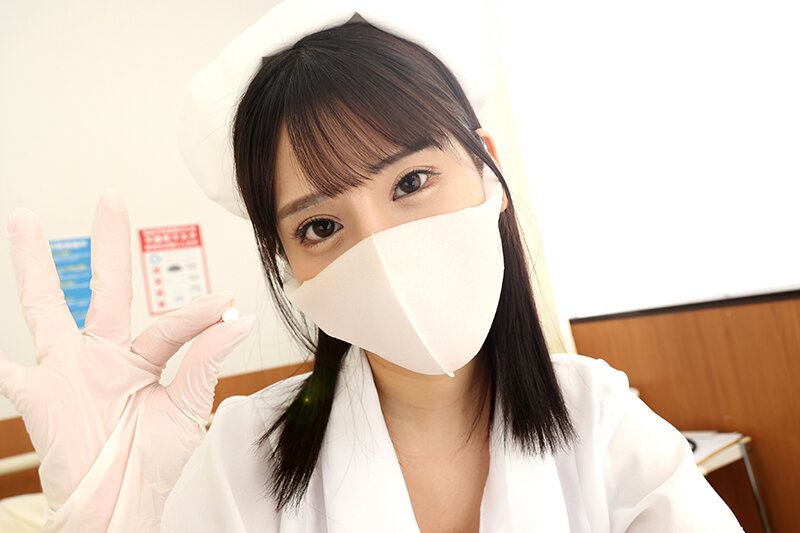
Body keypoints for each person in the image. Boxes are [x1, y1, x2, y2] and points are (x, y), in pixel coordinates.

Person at [0, 1, 745, 532]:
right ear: (289, 264)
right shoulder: (241, 459)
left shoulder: (600, 419)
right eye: (321, 225)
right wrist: (114, 521)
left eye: (412, 181)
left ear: (486, 167)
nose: (382, 249)